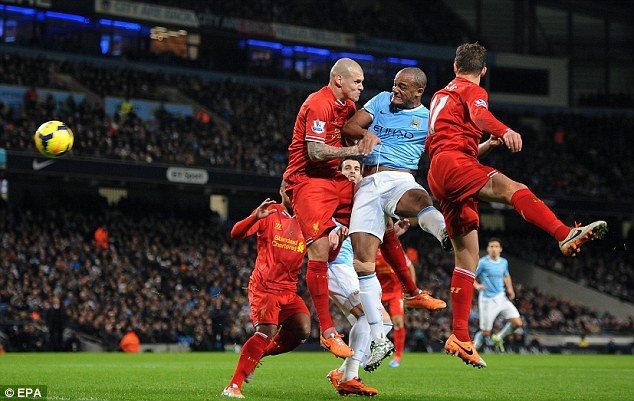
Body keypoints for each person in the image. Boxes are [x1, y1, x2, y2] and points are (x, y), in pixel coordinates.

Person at [425, 42, 608, 368]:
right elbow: (480, 114)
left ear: (454, 66)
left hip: (439, 171)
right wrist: (504, 130)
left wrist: (488, 144)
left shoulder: (441, 95)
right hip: (454, 164)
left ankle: (460, 337)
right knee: (514, 189)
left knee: (467, 257)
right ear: (483, 70)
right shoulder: (471, 89)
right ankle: (563, 233)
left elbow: (453, 144)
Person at [342, 67, 448, 368]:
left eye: (402, 87)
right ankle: (379, 338)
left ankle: (444, 233)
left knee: (421, 198)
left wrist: (486, 146)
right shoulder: (380, 101)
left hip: (400, 178)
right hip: (367, 183)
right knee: (363, 264)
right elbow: (349, 128)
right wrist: (366, 134)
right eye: (395, 85)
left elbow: (449, 152)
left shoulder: (429, 118)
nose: (396, 90)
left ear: (418, 92)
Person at [282, 58, 379, 358]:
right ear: (339, 80)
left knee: (373, 196)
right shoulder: (318, 103)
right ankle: (327, 331)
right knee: (320, 249)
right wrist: (355, 149)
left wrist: (365, 134)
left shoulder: (347, 107)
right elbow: (314, 152)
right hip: (307, 179)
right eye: (357, 81)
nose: (361, 87)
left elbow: (351, 129)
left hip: (331, 177)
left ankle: (409, 286)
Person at [221, 182, 311, 399]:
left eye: (296, 190)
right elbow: (236, 233)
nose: (292, 193)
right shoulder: (269, 212)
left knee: (302, 329)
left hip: (289, 290)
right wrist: (255, 217)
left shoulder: (307, 221)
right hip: (265, 286)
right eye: (288, 189)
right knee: (265, 332)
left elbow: (327, 255)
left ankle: (255, 357)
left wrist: (337, 242)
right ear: (281, 191)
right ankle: (233, 386)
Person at [326, 157, 380, 396]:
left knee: (380, 323)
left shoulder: (359, 206)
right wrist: (329, 233)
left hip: (350, 269)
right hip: (335, 265)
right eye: (347, 167)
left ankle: (342, 373)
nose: (352, 172)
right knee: (367, 316)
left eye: (357, 169)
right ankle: (350, 377)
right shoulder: (332, 199)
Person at [473, 238, 523, 353]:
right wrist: (477, 286)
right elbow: (471, 275)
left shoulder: (504, 262)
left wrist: (510, 289)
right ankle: (472, 350)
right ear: (488, 249)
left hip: (501, 298)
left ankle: (499, 337)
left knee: (517, 323)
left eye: (496, 246)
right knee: (486, 333)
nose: (493, 249)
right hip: (487, 300)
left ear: (500, 249)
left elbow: (506, 275)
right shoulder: (483, 262)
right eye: (491, 247)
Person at [375, 245, 413, 368]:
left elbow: (410, 267)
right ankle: (367, 353)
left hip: (395, 292)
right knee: (370, 320)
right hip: (379, 291)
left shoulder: (395, 251)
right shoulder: (373, 252)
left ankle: (398, 356)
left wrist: (410, 289)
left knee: (398, 322)